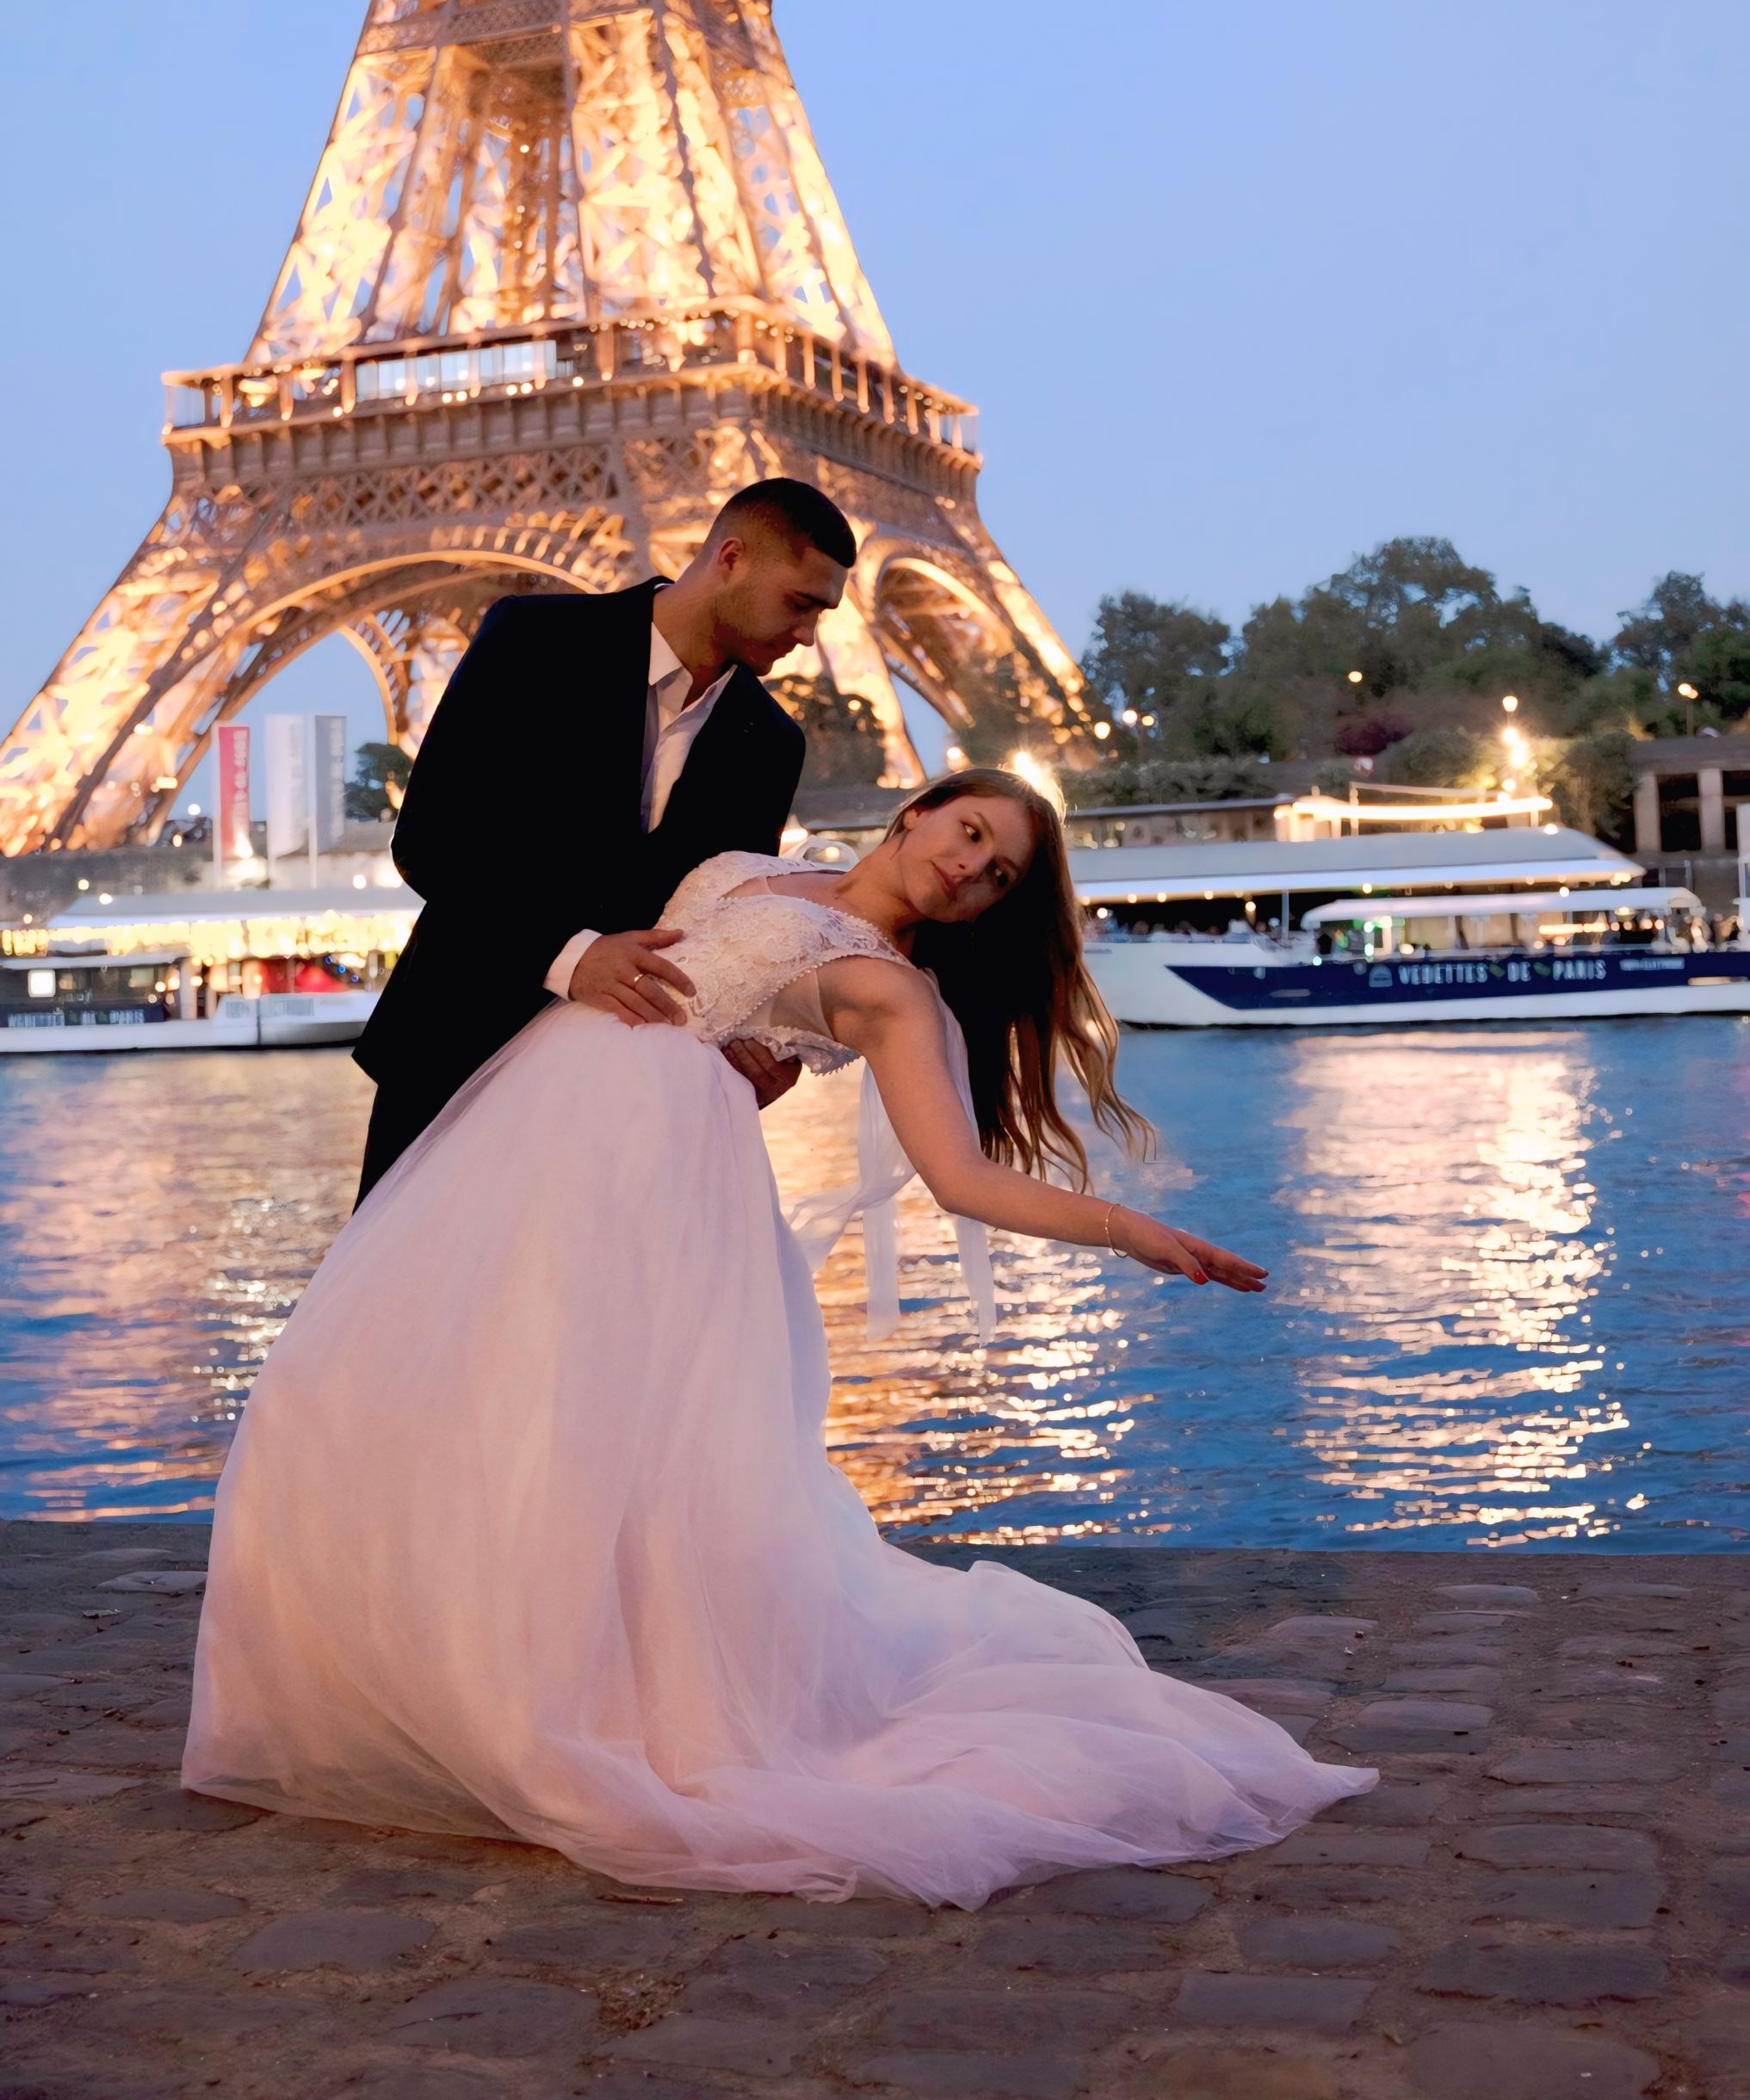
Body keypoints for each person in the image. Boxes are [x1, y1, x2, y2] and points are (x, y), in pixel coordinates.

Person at [185, 771, 1374, 1908]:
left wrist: (1126, 1230)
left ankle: (547, 1705)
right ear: (917, 814)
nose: (971, 872)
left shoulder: (890, 990)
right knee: (381, 1391)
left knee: (576, 1436)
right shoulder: (753, 868)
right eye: (968, 837)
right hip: (532, 1123)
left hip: (648, 1179)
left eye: (999, 877)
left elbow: (959, 1176)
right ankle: (413, 1679)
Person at [352, 476, 857, 1198]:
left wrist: (748, 1043)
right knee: (404, 1305)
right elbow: (432, 838)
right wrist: (570, 955)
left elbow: (719, 919)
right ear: (732, 558)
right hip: (454, 1048)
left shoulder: (772, 742)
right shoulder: (534, 640)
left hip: (627, 1093)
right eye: (800, 603)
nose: (809, 634)